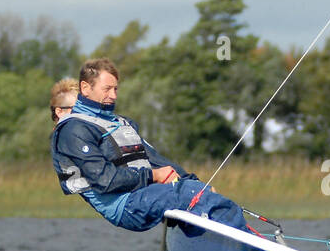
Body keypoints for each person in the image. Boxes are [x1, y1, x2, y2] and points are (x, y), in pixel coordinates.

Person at [50, 58, 248, 232]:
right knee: (192, 196)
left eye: (116, 89)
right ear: (85, 88)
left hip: (145, 193)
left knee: (202, 194)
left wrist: (194, 182)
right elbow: (105, 180)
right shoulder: (73, 129)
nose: (114, 96)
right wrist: (154, 175)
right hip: (125, 204)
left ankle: (231, 246)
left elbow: (155, 160)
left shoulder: (121, 123)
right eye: (107, 89)